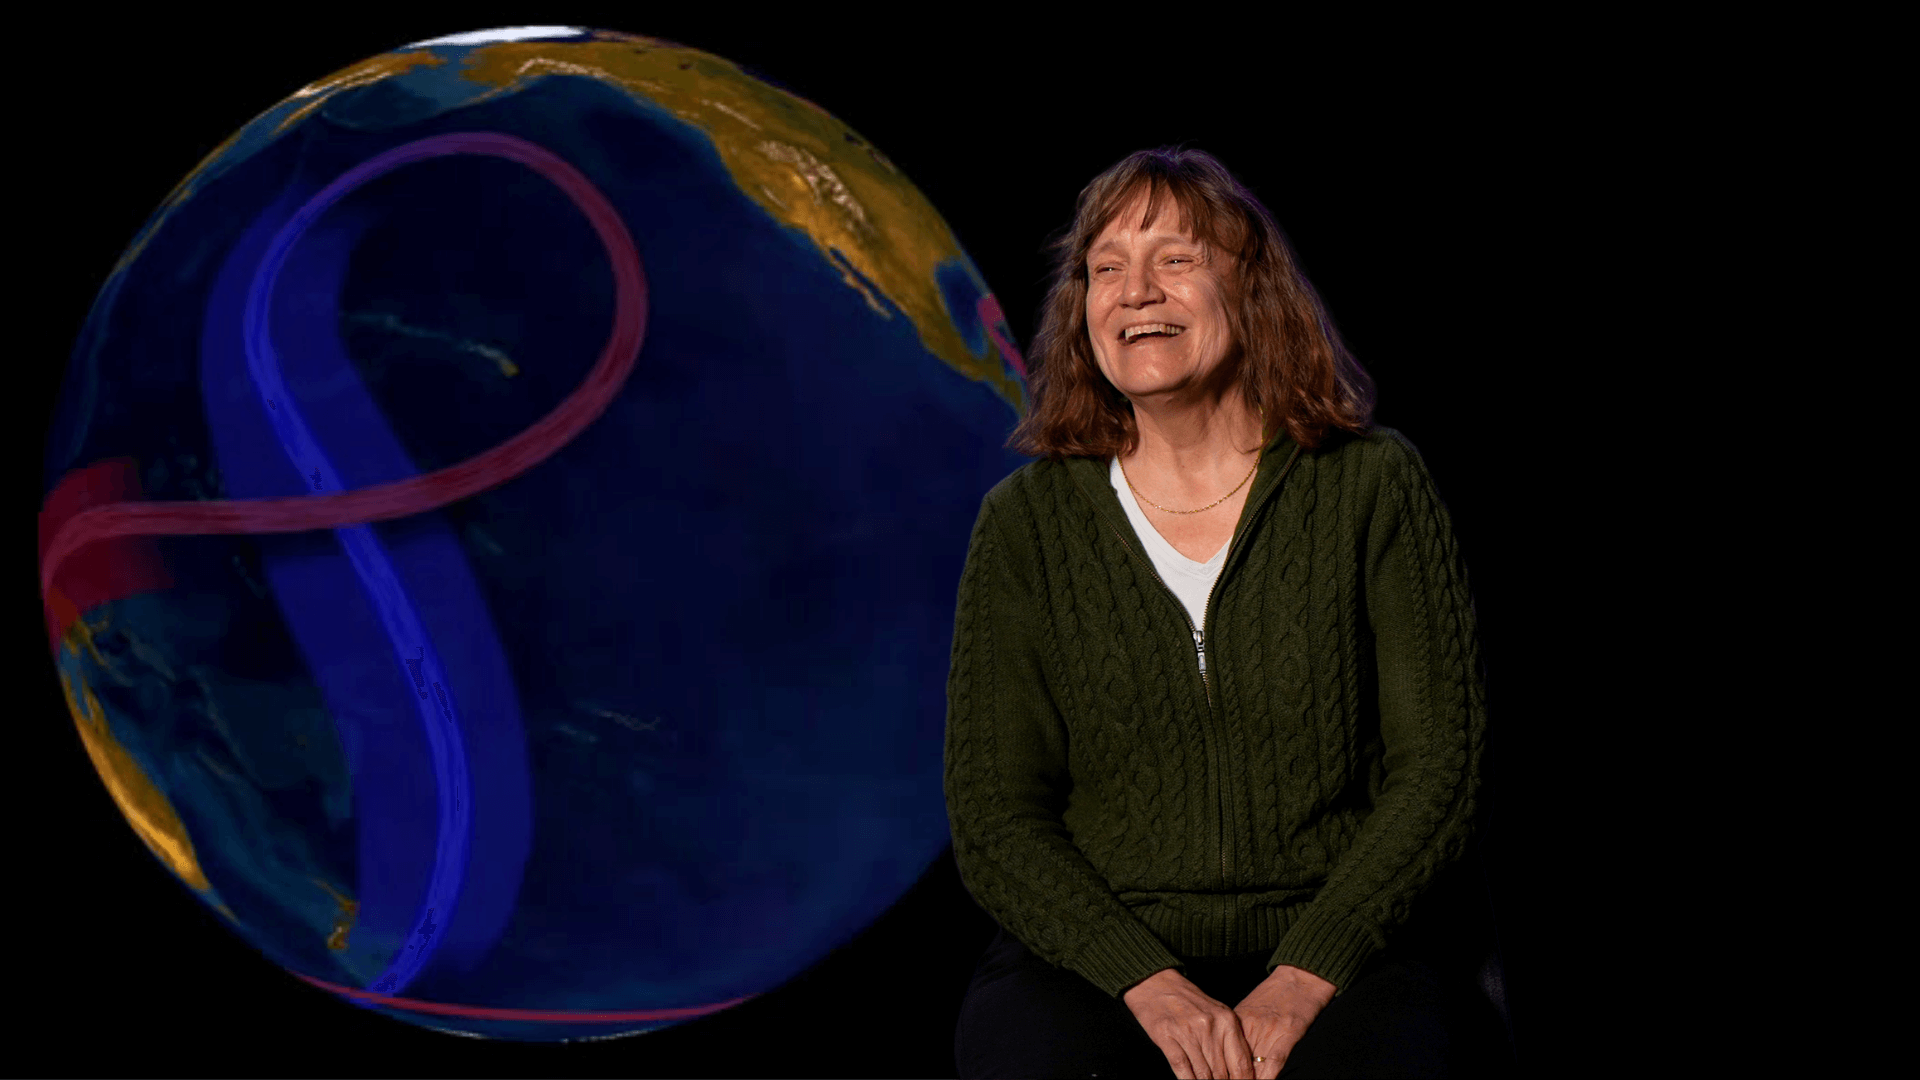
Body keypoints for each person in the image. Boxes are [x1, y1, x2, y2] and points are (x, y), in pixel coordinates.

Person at [944, 146, 1497, 1079]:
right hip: (1099, 963)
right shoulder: (1023, 526)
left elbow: (1439, 766)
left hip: (1345, 948)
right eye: (1106, 268)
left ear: (1252, 288)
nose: (1135, 291)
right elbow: (996, 817)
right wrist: (1148, 983)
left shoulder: (1373, 484)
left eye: (1176, 258)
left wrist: (1304, 975)